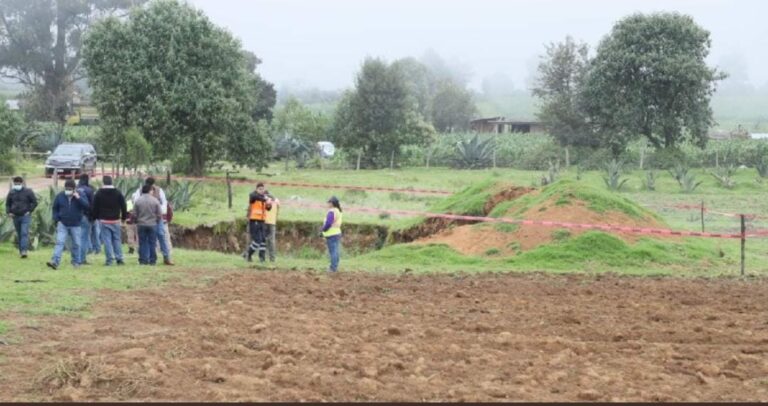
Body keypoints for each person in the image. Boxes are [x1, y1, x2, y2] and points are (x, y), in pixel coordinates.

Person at [47, 180, 89, 270]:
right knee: (60, 242)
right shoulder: (60, 196)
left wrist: (78, 198)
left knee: (77, 244)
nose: (68, 190)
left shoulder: (80, 195)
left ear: (74, 189)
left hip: (76, 224)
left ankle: (76, 262)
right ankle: (55, 261)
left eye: (70, 189)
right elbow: (55, 208)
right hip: (63, 223)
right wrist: (57, 219)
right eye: (66, 189)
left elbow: (87, 206)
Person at [132, 177, 174, 265]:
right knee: (152, 239)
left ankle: (166, 257)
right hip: (153, 219)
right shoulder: (139, 191)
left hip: (154, 219)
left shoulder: (159, 191)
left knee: (161, 236)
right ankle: (148, 259)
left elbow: (164, 204)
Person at [91, 175, 128, 266]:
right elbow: (124, 206)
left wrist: (94, 217)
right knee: (116, 240)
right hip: (115, 220)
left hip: (103, 220)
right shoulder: (118, 193)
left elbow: (94, 207)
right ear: (112, 182)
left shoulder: (99, 193)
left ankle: (109, 260)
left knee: (107, 241)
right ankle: (119, 258)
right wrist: (123, 218)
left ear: (103, 182)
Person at [5, 176, 38, 258]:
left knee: (24, 233)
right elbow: (7, 204)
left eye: (18, 184)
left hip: (25, 216)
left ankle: (24, 251)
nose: (17, 185)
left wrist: (29, 211)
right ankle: (21, 251)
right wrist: (9, 212)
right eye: (15, 184)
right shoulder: (11, 192)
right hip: (15, 216)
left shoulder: (28, 191)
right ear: (14, 183)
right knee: (19, 234)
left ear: (22, 183)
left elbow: (34, 202)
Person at [133, 184, 161, 265]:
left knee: (142, 242)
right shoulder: (155, 201)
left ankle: (143, 260)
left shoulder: (138, 201)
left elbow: (134, 214)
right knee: (152, 243)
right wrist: (157, 221)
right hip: (152, 224)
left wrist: (137, 221)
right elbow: (159, 214)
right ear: (150, 191)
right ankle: (152, 260)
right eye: (152, 190)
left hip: (141, 224)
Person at [245, 183, 272, 263]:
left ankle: (262, 258)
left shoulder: (263, 197)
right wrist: (266, 199)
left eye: (262, 189)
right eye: (260, 189)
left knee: (263, 240)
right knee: (257, 240)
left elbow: (268, 208)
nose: (261, 191)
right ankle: (248, 254)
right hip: (254, 220)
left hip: (262, 221)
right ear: (256, 189)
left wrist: (269, 204)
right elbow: (255, 197)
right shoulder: (253, 195)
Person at [76, 174, 95, 265]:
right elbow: (92, 205)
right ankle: (82, 259)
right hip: (85, 216)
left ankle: (75, 257)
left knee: (76, 238)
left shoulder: (75, 189)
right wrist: (92, 217)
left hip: (75, 217)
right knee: (84, 238)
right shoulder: (89, 190)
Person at [321, 196, 343, 273]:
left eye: (329, 202)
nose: (328, 204)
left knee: (333, 251)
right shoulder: (338, 211)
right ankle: (335, 267)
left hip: (331, 234)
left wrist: (323, 229)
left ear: (332, 203)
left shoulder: (332, 211)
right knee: (336, 251)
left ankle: (332, 268)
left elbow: (328, 223)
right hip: (337, 233)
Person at [264, 191, 280, 263]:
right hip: (273, 223)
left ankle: (263, 256)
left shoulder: (264, 202)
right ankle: (272, 258)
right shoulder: (276, 202)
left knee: (263, 241)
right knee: (272, 241)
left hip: (265, 222)